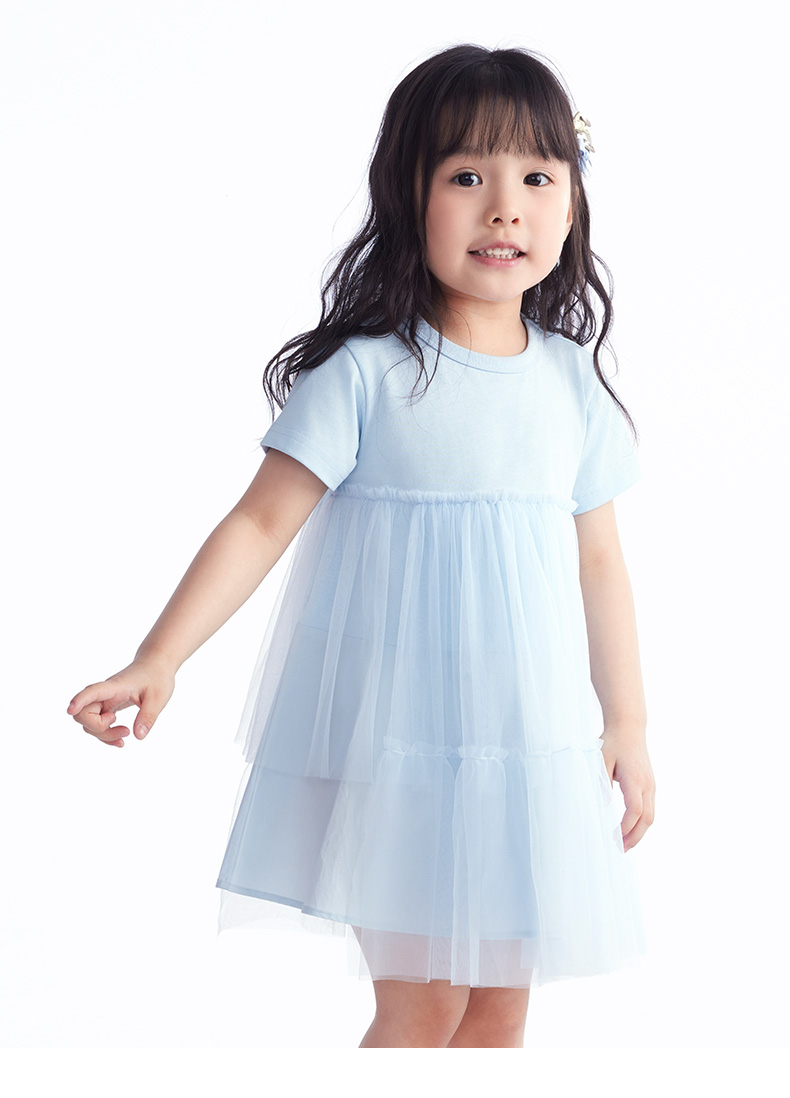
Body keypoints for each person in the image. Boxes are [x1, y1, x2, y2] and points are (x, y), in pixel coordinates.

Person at [67, 43, 656, 1048]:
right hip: (402, 746)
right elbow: (259, 522)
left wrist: (628, 724)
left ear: (571, 204)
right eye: (466, 177)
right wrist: (158, 658)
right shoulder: (369, 374)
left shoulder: (569, 383)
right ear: (407, 195)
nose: (503, 209)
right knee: (423, 1005)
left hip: (527, 745)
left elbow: (600, 563)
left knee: (499, 1008)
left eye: (535, 178)